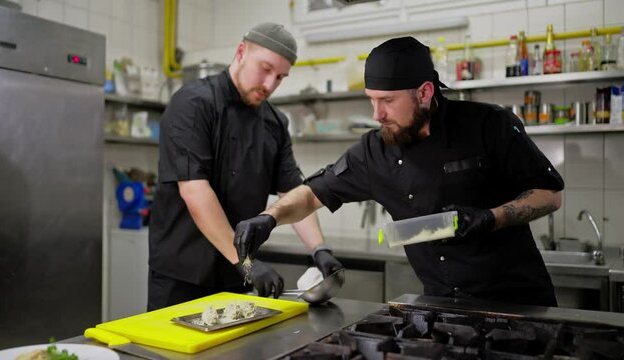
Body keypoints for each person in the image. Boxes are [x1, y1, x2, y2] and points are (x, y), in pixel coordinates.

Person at [234, 36, 564, 307]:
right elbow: (313, 193)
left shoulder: (490, 125)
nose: (377, 114)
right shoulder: (373, 151)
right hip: (442, 308)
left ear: (424, 93)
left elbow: (550, 194)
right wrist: (270, 218)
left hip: (519, 304)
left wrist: (491, 218)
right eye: (371, 100)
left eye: (387, 101)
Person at [147, 22, 343, 311]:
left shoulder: (275, 123)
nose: (270, 84)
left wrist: (319, 249)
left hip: (234, 277)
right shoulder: (193, 104)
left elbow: (294, 193)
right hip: (181, 276)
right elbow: (195, 192)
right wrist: (247, 264)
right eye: (265, 69)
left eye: (280, 77)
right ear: (241, 52)